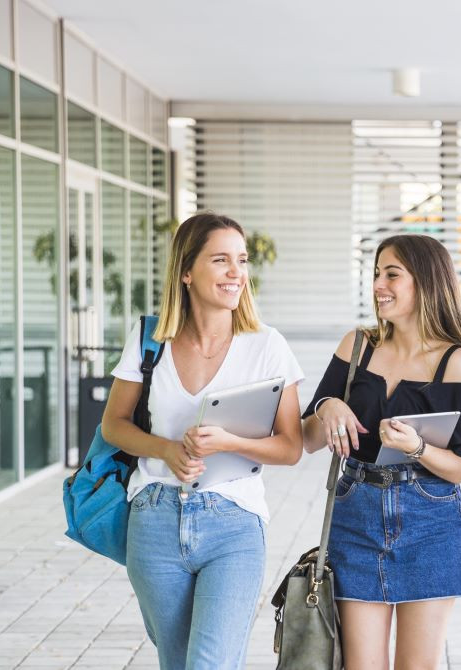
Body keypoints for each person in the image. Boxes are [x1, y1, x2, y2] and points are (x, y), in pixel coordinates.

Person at [101, 213, 306, 668]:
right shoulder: (150, 339)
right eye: (221, 260)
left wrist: (231, 441)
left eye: (242, 260)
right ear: (187, 272)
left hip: (233, 523)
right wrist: (167, 450)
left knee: (208, 664)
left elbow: (290, 447)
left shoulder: (267, 345)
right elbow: (113, 425)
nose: (237, 272)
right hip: (153, 519)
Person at [300, 234, 461, 670]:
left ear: (426, 282)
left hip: (429, 521)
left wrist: (417, 446)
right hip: (355, 514)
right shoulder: (356, 346)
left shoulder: (455, 361)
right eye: (376, 273)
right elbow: (308, 438)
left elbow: (458, 470)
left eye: (392, 274)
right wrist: (327, 404)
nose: (379, 285)